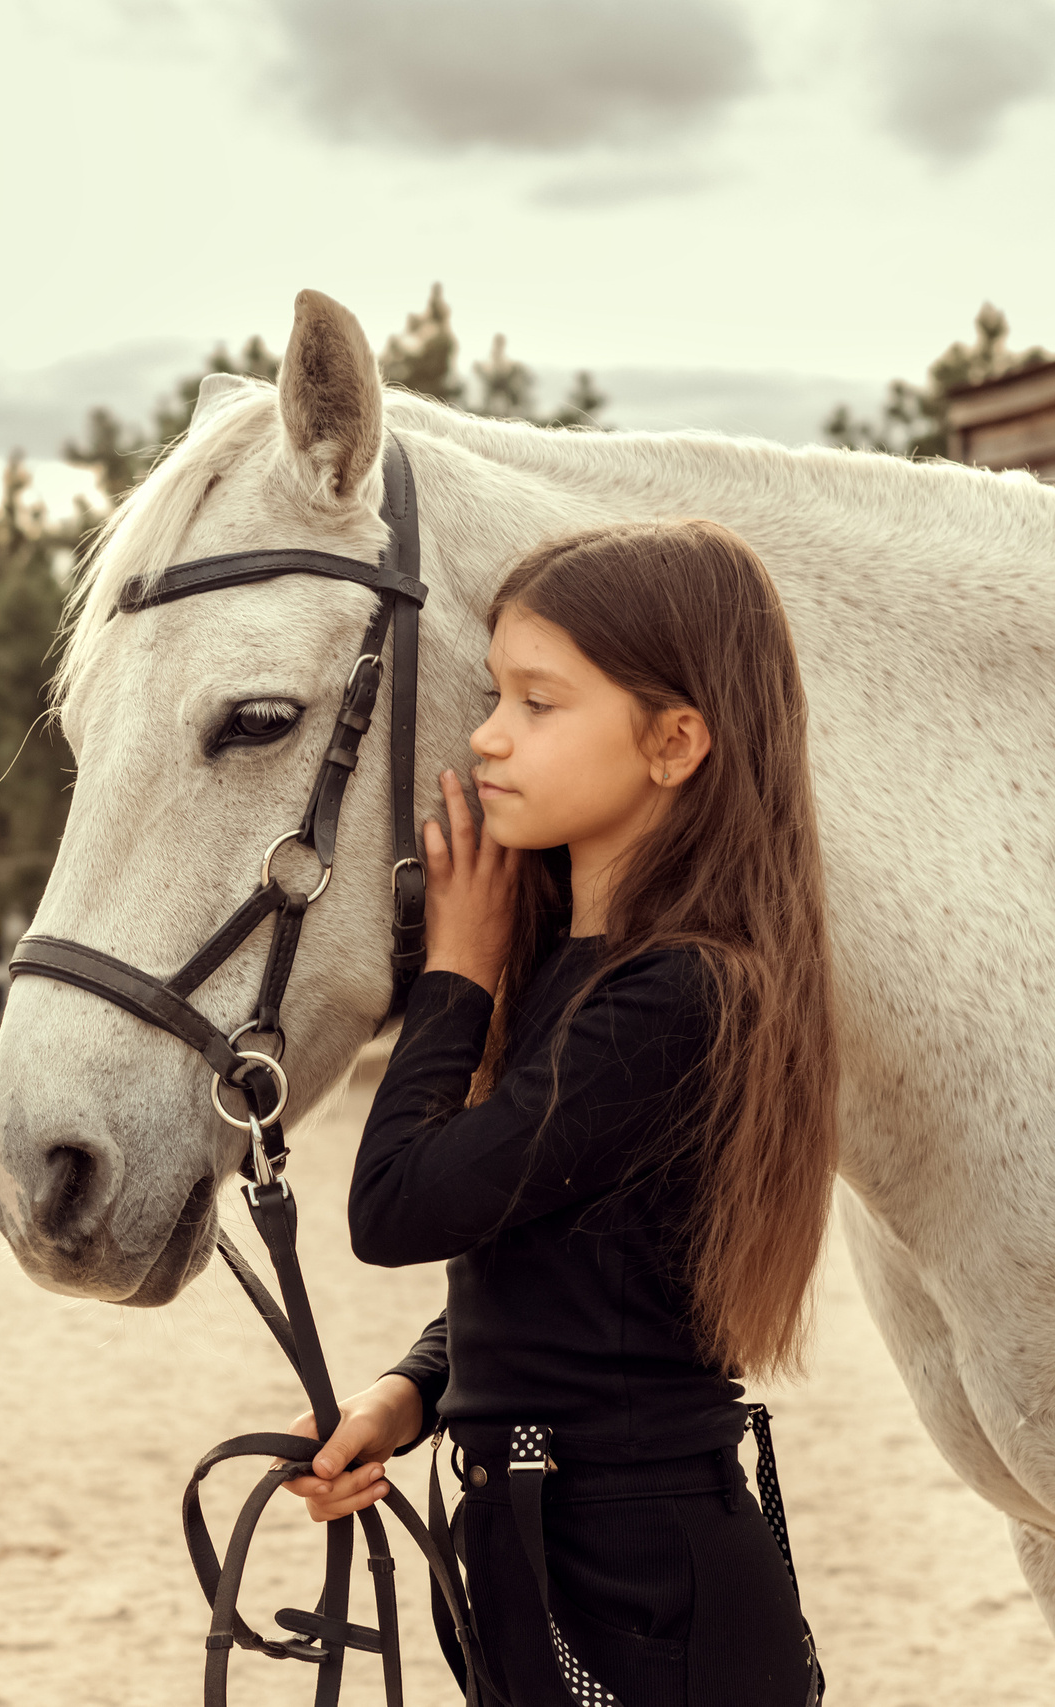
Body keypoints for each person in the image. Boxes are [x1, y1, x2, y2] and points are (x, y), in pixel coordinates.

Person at [277, 521, 833, 1705]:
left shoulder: (678, 995)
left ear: (674, 741)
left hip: (638, 1577)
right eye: (496, 694)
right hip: (546, 1545)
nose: (487, 735)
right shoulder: (585, 973)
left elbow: (395, 1209)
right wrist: (411, 1392)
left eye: (538, 702)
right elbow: (554, 1264)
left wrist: (456, 979)